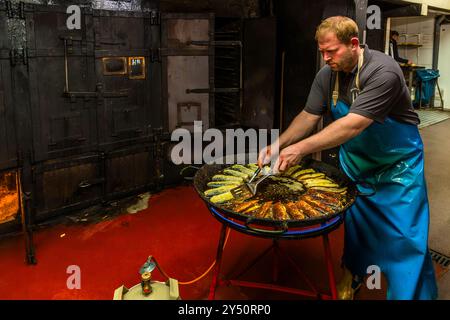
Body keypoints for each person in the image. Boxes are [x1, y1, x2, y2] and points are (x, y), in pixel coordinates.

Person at [258, 16, 437, 300]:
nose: (326, 58)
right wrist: (279, 145)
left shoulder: (383, 72)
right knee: (359, 233)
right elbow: (308, 116)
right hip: (357, 166)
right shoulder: (327, 75)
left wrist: (299, 149)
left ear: (354, 44)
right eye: (322, 52)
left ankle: (410, 294)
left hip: (397, 171)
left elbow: (352, 124)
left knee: (404, 239)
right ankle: (352, 277)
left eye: (332, 51)